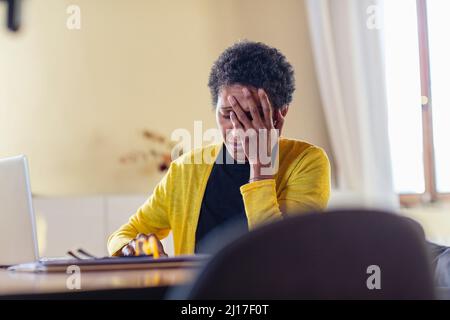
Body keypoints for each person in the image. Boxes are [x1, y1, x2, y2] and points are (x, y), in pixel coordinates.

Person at [107, 40, 331, 257]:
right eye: (227, 115)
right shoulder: (186, 170)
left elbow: (283, 253)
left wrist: (261, 168)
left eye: (252, 115)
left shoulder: (307, 162)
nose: (237, 128)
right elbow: (124, 234)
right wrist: (132, 247)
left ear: (280, 113)